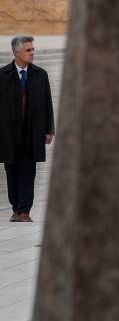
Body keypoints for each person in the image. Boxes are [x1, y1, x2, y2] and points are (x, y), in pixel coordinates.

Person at [2, 36, 55, 223]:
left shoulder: (40, 75)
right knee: (12, 172)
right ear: (16, 52)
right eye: (28, 50)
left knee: (28, 172)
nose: (32, 53)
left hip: (32, 133)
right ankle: (16, 208)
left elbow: (48, 105)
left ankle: (24, 211)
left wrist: (49, 130)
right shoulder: (3, 75)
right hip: (8, 134)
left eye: (33, 49)